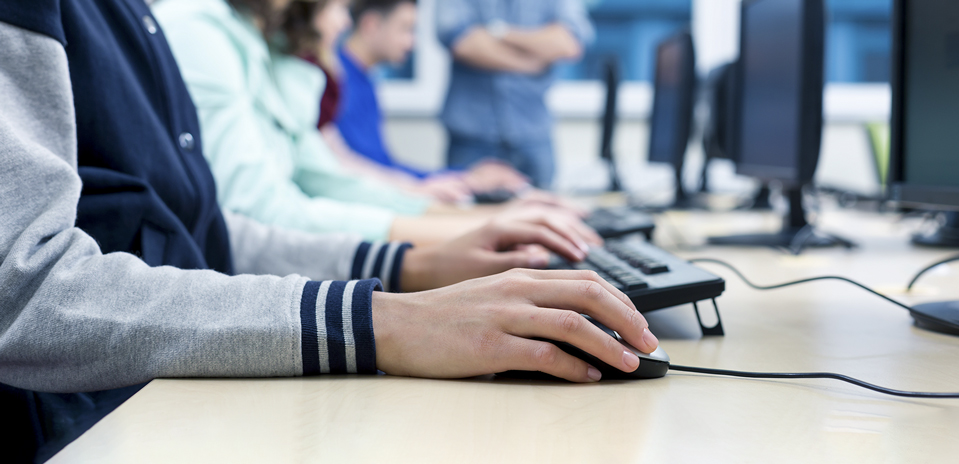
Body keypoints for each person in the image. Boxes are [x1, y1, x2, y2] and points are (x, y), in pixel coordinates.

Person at [0, 0, 658, 461]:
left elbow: (207, 234)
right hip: (93, 421)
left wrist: (412, 268)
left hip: (156, 391)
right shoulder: (189, 26)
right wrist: (378, 320)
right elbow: (21, 294)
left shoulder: (133, 18)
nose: (343, 22)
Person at [152, 0, 586, 244]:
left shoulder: (264, 49)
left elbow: (327, 176)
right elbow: (263, 209)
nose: (345, 20)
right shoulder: (202, 29)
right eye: (340, 6)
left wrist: (480, 219)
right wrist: (473, 226)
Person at [328, 0, 529, 199]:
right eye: (405, 29)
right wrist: (465, 179)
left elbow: (382, 167)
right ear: (371, 24)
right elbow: (363, 167)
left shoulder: (363, 79)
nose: (411, 42)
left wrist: (463, 176)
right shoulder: (337, 79)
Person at [436, 0, 594, 189]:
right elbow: (462, 43)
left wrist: (498, 32)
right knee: (463, 214)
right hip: (471, 137)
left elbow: (568, 43)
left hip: (534, 135)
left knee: (545, 212)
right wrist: (530, 62)